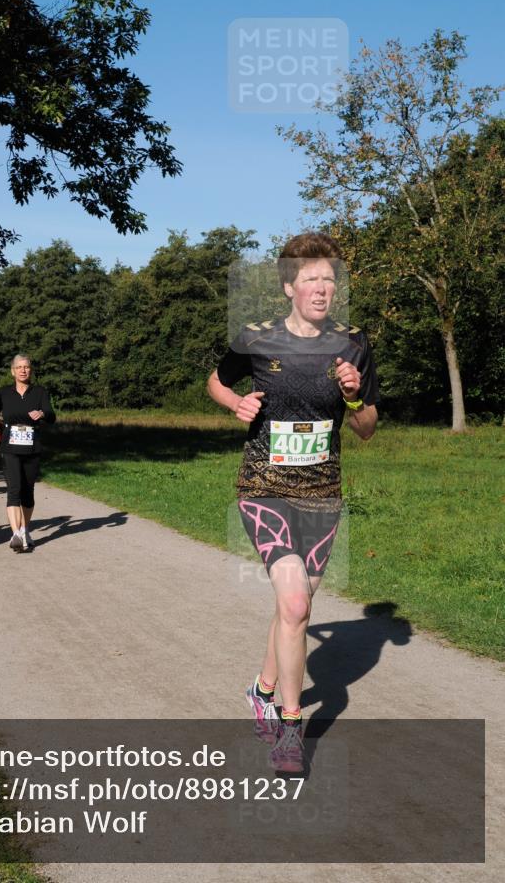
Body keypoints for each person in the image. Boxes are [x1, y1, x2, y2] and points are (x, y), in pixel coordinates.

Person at [207, 232, 379, 773]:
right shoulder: (256, 339)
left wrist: (354, 396)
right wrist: (237, 401)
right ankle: (289, 726)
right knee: (298, 606)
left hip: (323, 495)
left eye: (330, 278)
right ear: (289, 287)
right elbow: (215, 380)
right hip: (264, 488)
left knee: (292, 608)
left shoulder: (352, 344)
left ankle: (261, 688)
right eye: (311, 279)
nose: (323, 288)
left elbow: (369, 428)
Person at [0, 354, 56, 551]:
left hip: (32, 447)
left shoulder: (40, 392)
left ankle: (25, 529)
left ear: (30, 370)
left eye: (26, 367)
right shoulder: (4, 393)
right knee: (14, 489)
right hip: (10, 446)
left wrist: (42, 413)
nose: (23, 370)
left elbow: (52, 415)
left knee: (28, 491)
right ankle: (15, 534)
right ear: (13, 371)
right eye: (19, 367)